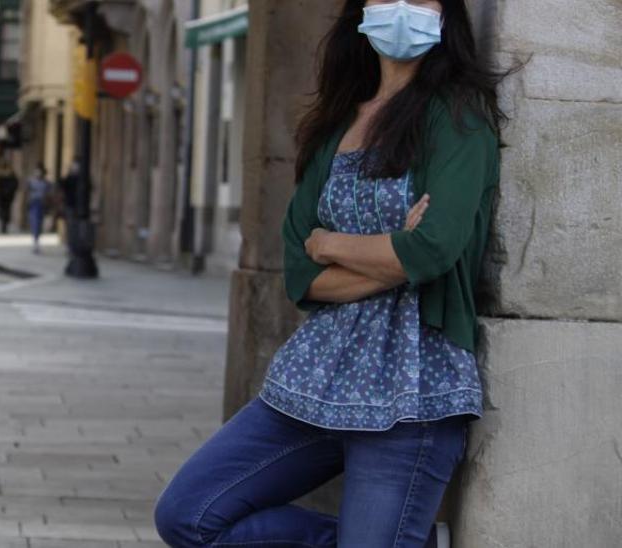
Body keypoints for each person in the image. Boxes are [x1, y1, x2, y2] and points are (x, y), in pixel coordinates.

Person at [154, 1, 506, 547]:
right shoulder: (337, 120)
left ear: (447, 13)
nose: (405, 6)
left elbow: (435, 248)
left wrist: (333, 244)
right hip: (315, 375)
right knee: (187, 515)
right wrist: (394, 253)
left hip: (413, 387)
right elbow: (300, 271)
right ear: (363, 10)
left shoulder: (459, 116)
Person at [25, 165, 52, 253]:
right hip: (33, 204)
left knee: (39, 224)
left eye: (39, 171)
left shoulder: (46, 183)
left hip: (42, 205)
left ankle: (36, 241)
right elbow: (26, 192)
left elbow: (50, 194)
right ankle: (35, 242)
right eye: (36, 171)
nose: (38, 173)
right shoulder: (31, 181)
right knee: (35, 223)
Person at [0, 162, 19, 234]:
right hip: (5, 197)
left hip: (6, 197)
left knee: (4, 211)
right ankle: (4, 225)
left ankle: (4, 225)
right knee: (5, 211)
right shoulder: (8, 176)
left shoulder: (5, 176)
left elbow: (15, 185)